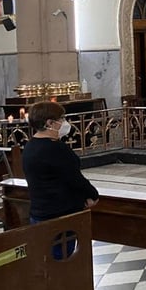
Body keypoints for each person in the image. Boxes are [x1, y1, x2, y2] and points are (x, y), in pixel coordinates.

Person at [23, 102, 99, 258]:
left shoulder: (30, 146)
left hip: (39, 212)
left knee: (45, 259)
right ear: (50, 123)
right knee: (60, 262)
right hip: (60, 216)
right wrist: (93, 194)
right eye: (61, 119)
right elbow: (74, 178)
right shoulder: (55, 148)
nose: (64, 122)